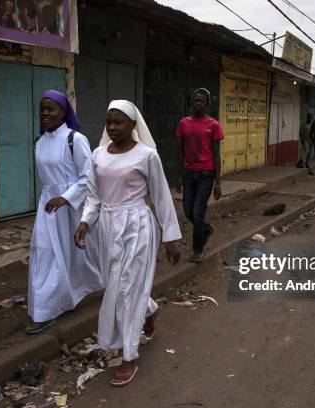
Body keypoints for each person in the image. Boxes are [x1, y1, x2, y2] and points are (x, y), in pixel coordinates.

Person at [74, 100, 181, 387]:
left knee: (126, 288)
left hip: (137, 226)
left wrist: (171, 238)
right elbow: (94, 196)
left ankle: (129, 356)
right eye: (109, 122)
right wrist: (85, 222)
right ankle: (149, 309)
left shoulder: (147, 156)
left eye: (118, 122)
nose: (112, 127)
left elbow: (161, 197)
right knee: (117, 285)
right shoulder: (98, 155)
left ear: (134, 125)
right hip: (107, 229)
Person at [26, 90, 103, 335]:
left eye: (52, 109)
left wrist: (66, 198)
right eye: (43, 109)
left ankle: (83, 291)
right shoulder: (39, 142)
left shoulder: (75, 139)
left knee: (77, 255)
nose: (46, 113)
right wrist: (52, 198)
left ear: (63, 111)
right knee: (45, 254)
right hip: (48, 208)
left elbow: (88, 176)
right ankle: (44, 311)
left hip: (72, 208)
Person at [176, 88, 223, 264]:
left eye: (201, 101)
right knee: (187, 210)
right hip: (188, 174)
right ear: (192, 102)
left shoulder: (213, 125)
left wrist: (218, 182)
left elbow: (217, 154)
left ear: (207, 104)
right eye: (195, 101)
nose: (198, 104)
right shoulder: (183, 124)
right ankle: (206, 229)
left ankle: (198, 250)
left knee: (197, 212)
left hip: (206, 174)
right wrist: (179, 176)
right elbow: (180, 151)